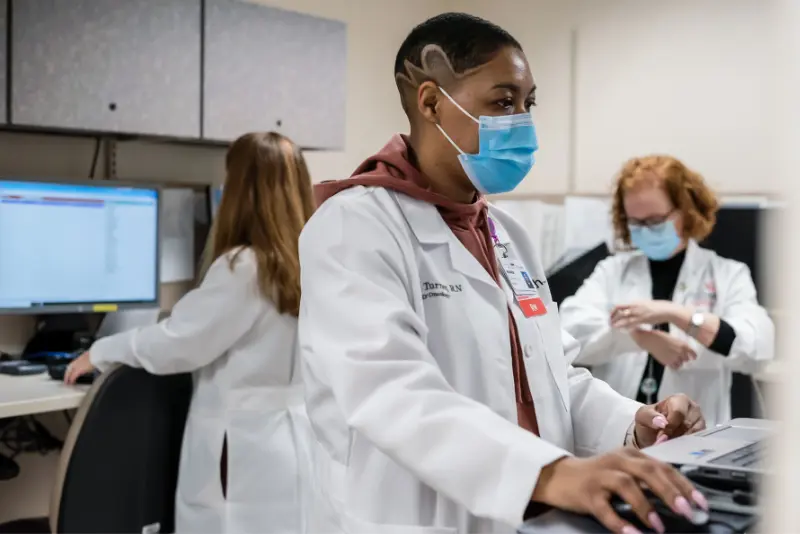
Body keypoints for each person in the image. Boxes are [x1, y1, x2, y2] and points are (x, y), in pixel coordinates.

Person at [297, 13, 709, 534]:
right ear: (430, 102)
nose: (522, 120)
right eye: (502, 101)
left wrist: (636, 424)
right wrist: (550, 473)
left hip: (527, 517)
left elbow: (554, 381)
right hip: (408, 520)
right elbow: (391, 392)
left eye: (527, 103)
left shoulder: (506, 233)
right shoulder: (354, 226)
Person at [64, 132, 316, 534]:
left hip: (240, 452)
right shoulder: (311, 263)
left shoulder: (244, 267)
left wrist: (101, 352)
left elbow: (177, 345)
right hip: (292, 445)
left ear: (242, 190)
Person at [560, 155, 774, 427]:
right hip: (621, 434)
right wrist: (638, 338)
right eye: (635, 223)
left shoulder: (727, 274)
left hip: (695, 435)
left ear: (686, 212)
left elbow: (755, 348)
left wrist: (674, 314)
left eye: (655, 220)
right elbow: (569, 333)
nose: (645, 230)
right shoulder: (613, 271)